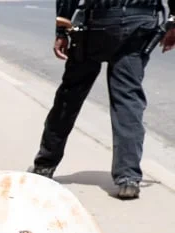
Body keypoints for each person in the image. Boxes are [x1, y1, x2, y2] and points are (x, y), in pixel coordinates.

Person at [30, 0, 175, 200]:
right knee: (128, 100)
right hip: (139, 22)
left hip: (97, 21)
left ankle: (44, 165)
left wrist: (62, 30)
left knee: (70, 95)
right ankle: (128, 178)